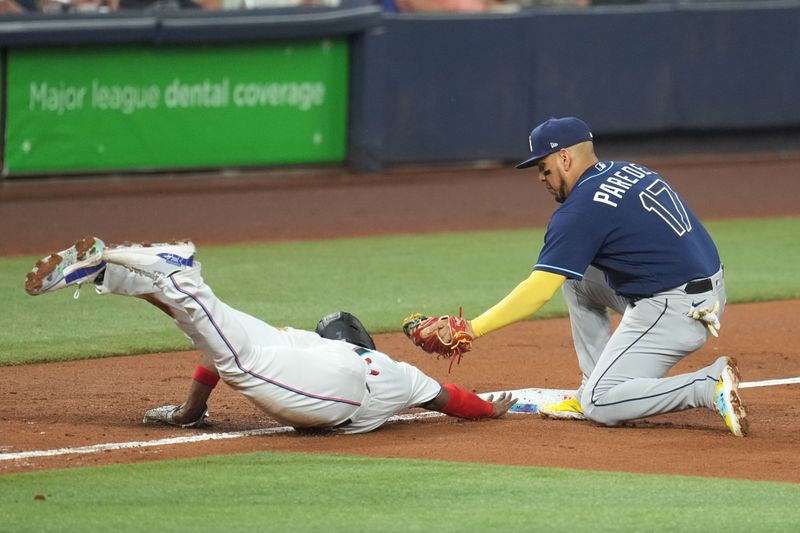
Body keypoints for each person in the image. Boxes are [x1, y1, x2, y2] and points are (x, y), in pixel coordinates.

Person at [421, 116, 748, 436]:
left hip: (677, 309)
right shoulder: (627, 169)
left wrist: (472, 329)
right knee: (574, 278)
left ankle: (705, 385)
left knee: (601, 403)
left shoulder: (581, 209)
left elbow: (537, 292)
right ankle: (591, 382)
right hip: (704, 291)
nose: (540, 177)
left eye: (543, 166)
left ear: (564, 157)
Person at [24, 237, 515, 433]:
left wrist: (191, 410)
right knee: (226, 341)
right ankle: (131, 271)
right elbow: (452, 398)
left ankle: (144, 270)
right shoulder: (397, 372)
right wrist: (490, 409)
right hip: (337, 393)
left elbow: (212, 350)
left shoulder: (305, 339)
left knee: (219, 330)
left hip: (324, 380)